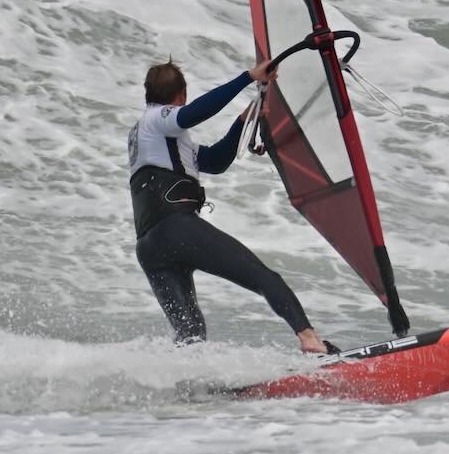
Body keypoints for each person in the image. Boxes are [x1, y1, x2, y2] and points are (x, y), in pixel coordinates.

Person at [127, 57, 334, 354]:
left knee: (191, 332)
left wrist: (243, 121)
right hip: (175, 229)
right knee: (264, 278)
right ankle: (310, 340)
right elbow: (194, 113)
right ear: (181, 95)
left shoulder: (155, 138)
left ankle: (187, 386)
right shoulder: (158, 119)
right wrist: (248, 77)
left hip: (150, 247)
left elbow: (214, 161)